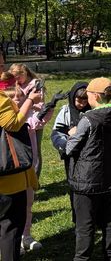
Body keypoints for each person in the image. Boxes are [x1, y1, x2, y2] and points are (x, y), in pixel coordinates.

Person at [65, 77, 111, 261]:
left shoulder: (88, 119)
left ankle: (82, 258)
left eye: (88, 94)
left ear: (96, 96)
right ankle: (110, 254)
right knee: (107, 218)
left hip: (86, 178)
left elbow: (69, 148)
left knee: (85, 224)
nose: (87, 97)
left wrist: (72, 134)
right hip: (108, 174)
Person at [8, 63, 51, 252]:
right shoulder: (7, 122)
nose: (18, 101)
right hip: (10, 172)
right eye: (14, 98)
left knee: (28, 203)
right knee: (12, 207)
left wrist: (50, 105)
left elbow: (39, 119)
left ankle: (26, 236)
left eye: (20, 97)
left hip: (27, 169)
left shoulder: (28, 122)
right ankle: (13, 240)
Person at [0, 78, 42, 261]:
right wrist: (30, 100)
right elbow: (13, 123)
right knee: (10, 228)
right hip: (9, 180)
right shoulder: (2, 100)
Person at [50, 82, 90, 223]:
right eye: (79, 100)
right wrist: (67, 143)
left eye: (85, 101)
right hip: (72, 156)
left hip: (90, 156)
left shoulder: (92, 112)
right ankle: (77, 219)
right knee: (75, 187)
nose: (82, 104)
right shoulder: (66, 112)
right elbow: (56, 134)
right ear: (72, 98)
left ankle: (92, 217)